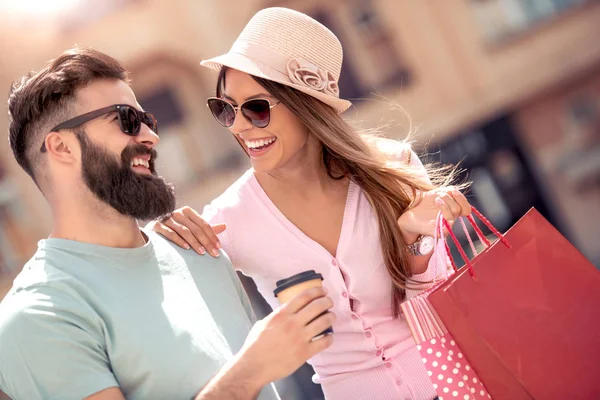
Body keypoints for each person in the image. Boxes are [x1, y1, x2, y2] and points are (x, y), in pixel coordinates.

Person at [150, 7, 471, 400]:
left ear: (306, 105)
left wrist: (413, 239)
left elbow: (437, 306)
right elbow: (160, 301)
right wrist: (159, 234)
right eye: (225, 109)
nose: (238, 125)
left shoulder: (395, 167)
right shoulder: (228, 219)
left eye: (256, 108)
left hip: (454, 385)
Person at [0, 47, 335, 400]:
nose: (150, 136)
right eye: (126, 120)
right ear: (62, 147)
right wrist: (251, 371)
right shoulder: (36, 317)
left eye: (148, 120)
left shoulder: (198, 252)